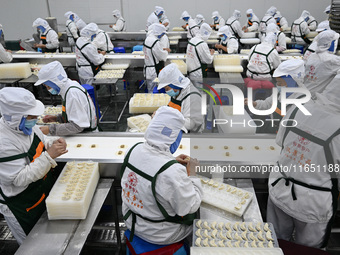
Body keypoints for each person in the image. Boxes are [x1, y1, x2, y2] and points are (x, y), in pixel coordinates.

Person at [267, 73, 340, 249]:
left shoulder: (299, 108)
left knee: (275, 243)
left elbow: (280, 142)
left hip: (280, 188)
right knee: (307, 251)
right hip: (313, 203)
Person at [121, 105, 202, 245]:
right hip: (160, 234)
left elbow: (149, 164)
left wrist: (170, 160)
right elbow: (189, 207)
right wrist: (193, 173)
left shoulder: (134, 149)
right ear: (172, 137)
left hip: (132, 221)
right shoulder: (172, 172)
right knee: (198, 223)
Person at [0, 87, 67, 244]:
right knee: (34, 245)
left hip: (39, 191)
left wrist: (53, 142)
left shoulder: (25, 125)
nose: (35, 119)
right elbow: (18, 179)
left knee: (50, 240)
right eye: (32, 116)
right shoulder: (4, 143)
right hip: (22, 203)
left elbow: (41, 139)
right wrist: (49, 156)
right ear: (16, 117)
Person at [34, 61, 97, 136]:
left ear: (54, 81)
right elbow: (76, 113)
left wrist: (50, 129)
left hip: (86, 135)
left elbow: (77, 126)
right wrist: (57, 118)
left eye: (47, 85)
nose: (47, 88)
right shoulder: (69, 86)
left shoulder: (72, 93)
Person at [245, 59, 306, 133]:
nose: (278, 85)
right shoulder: (279, 93)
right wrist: (254, 103)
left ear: (291, 81)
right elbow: (267, 104)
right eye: (277, 82)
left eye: (280, 82)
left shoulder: (302, 101)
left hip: (284, 134)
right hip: (272, 128)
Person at [158, 63, 204, 132]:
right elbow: (171, 108)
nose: (166, 91)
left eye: (167, 88)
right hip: (176, 130)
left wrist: (168, 121)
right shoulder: (177, 92)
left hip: (190, 135)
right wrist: (160, 114)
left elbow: (191, 124)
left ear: (175, 84)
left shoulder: (193, 97)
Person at [304, 30, 340, 97]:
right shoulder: (332, 60)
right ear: (331, 43)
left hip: (304, 93)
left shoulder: (311, 56)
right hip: (316, 99)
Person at [143, 24, 170, 93]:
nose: (162, 35)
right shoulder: (155, 41)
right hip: (153, 71)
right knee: (154, 91)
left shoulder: (148, 38)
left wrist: (161, 49)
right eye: (162, 33)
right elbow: (161, 56)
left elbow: (153, 51)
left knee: (150, 89)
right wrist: (166, 51)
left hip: (148, 69)